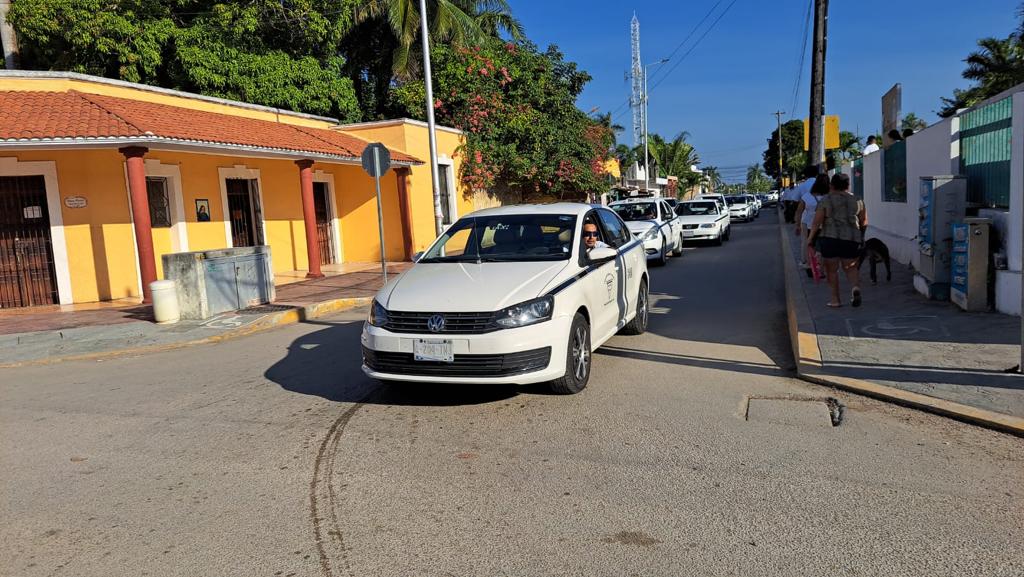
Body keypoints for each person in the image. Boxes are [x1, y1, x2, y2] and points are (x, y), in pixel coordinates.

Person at [808, 173, 867, 308]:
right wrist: (861, 237)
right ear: (848, 185)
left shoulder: (825, 200)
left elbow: (817, 222)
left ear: (831, 185)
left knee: (832, 270)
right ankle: (855, 288)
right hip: (851, 239)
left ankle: (835, 300)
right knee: (851, 268)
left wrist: (810, 239)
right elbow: (864, 221)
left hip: (830, 238)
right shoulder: (857, 200)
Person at [793, 172, 829, 267]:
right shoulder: (830, 197)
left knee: (807, 243)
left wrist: (797, 225)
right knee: (824, 246)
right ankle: (823, 266)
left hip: (808, 224)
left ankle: (808, 264)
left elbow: (799, 211)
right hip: (825, 224)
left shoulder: (807, 196)